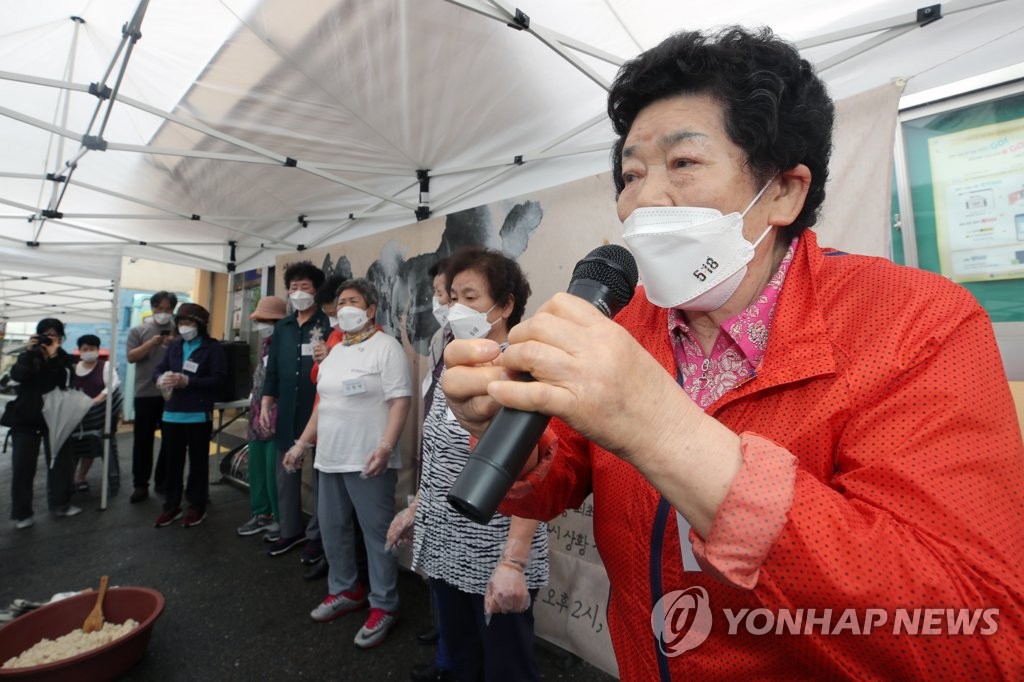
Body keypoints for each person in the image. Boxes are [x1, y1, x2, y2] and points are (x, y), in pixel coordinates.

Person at [440, 27, 1024, 680]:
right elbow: (560, 476)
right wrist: (511, 438)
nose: (644, 200)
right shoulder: (628, 320)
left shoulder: (916, 323)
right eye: (631, 174)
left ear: (783, 191)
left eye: (682, 164)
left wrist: (663, 430)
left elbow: (978, 636)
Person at [389, 247, 549, 681]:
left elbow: (536, 479)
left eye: (471, 296)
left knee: (506, 664)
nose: (455, 307)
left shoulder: (521, 369)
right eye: (452, 296)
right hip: (445, 540)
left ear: (508, 304)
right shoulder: (456, 358)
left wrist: (512, 564)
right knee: (459, 656)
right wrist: (417, 506)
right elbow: (439, 450)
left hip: (494, 548)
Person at [284, 277, 411, 649]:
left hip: (369, 458)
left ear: (371, 309)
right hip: (330, 456)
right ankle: (345, 589)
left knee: (377, 535)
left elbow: (400, 401)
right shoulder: (335, 351)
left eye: (353, 301)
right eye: (340, 303)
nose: (345, 308)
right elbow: (323, 404)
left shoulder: (387, 348)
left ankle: (384, 604)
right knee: (332, 527)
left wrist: (386, 447)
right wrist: (301, 445)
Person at [260, 261, 331, 559]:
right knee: (285, 473)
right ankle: (289, 530)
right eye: (293, 287)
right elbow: (272, 370)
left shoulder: (327, 325)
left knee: (322, 479)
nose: (298, 293)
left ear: (316, 291)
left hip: (320, 411)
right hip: (288, 409)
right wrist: (266, 403)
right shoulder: (283, 328)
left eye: (305, 287)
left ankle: (317, 535)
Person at [153, 303, 226, 528]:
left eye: (190, 323)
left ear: (201, 325)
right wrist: (162, 378)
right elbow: (159, 368)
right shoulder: (175, 346)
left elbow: (218, 379)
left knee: (198, 463)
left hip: (198, 414)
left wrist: (188, 381)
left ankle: (197, 505)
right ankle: (171, 505)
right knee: (172, 462)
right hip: (172, 413)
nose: (185, 327)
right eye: (182, 323)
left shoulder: (212, 348)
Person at [7, 318, 82, 527]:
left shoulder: (64, 358)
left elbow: (65, 381)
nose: (51, 338)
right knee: (23, 467)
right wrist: (32, 353)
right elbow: (18, 376)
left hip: (56, 417)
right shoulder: (28, 355)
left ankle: (61, 505)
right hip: (26, 418)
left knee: (61, 464)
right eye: (46, 334)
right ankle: (22, 514)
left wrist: (53, 357)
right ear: (38, 336)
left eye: (55, 334)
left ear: (61, 337)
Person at [236, 295, 287, 539]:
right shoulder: (266, 343)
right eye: (261, 320)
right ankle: (261, 513)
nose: (263, 324)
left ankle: (278, 518)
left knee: (272, 471)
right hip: (257, 416)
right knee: (257, 467)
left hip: (276, 417)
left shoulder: (285, 344)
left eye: (269, 320)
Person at [126, 291, 177, 503]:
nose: (164, 313)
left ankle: (162, 480)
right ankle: (140, 484)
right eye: (160, 308)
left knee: (171, 441)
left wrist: (174, 344)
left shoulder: (179, 332)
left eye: (168, 309)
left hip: (172, 395)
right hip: (145, 393)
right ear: (153, 308)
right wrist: (151, 344)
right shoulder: (139, 330)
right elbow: (130, 357)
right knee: (142, 441)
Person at [69, 334, 123, 495]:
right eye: (85, 349)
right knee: (72, 448)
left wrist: (96, 400)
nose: (89, 352)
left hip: (96, 418)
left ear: (98, 350)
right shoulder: (73, 369)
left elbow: (111, 387)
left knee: (90, 447)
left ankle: (81, 477)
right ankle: (69, 479)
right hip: (74, 418)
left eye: (92, 349)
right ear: (79, 351)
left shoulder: (106, 367)